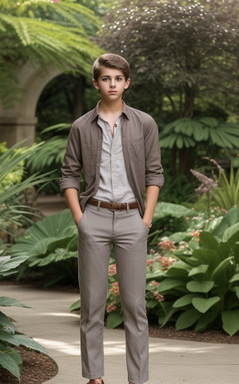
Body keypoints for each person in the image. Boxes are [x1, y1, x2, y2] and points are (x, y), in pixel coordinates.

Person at [60, 53, 164, 384]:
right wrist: (81, 219)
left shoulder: (145, 123)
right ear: (96, 83)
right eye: (106, 78)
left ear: (127, 82)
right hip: (95, 219)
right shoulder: (80, 126)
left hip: (133, 219)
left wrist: (146, 219)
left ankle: (138, 379)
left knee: (135, 306)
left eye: (118, 78)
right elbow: (68, 176)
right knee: (92, 306)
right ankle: (94, 377)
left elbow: (154, 173)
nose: (112, 84)